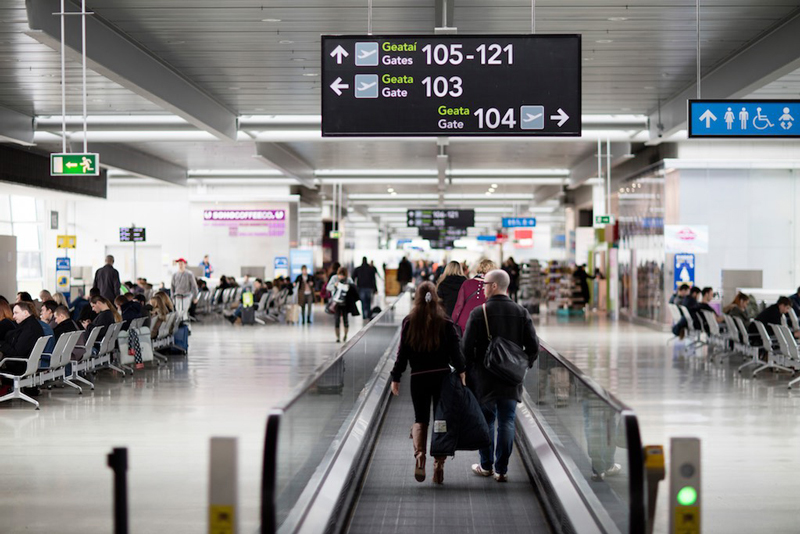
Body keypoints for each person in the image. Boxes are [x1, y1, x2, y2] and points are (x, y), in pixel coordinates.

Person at [462, 269, 539, 482]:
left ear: (494, 285)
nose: (483, 288)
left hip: (484, 378)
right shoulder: (521, 312)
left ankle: (486, 466)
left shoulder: (479, 313)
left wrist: (466, 372)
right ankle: (502, 470)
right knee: (507, 420)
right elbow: (533, 346)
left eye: (485, 284)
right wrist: (522, 366)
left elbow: (466, 349)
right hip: (511, 378)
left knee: (486, 420)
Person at [390, 282, 466, 484]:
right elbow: (456, 352)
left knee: (420, 418)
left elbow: (402, 354)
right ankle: (439, 464)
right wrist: (462, 371)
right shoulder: (446, 322)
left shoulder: (409, 322)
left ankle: (420, 455)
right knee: (441, 420)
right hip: (441, 377)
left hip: (418, 378)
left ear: (417, 297)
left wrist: (396, 377)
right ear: (436, 296)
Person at [0, 302, 45, 392]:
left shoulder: (28, 329)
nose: (13, 317)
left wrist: (1, 344)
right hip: (27, 364)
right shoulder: (34, 325)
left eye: (16, 313)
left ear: (25, 313)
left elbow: (16, 353)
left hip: (18, 366)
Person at [451, 259, 497, 334]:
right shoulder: (492, 286)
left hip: (465, 322)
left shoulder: (467, 283)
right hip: (483, 323)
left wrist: (452, 322)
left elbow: (459, 306)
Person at [327, 267, 358, 343]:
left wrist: (349, 287)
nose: (341, 277)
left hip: (345, 302)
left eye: (343, 275)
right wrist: (335, 285)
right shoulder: (334, 278)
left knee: (345, 319)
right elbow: (328, 287)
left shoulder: (349, 279)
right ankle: (337, 337)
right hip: (336, 302)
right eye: (340, 275)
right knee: (336, 319)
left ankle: (345, 335)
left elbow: (354, 289)